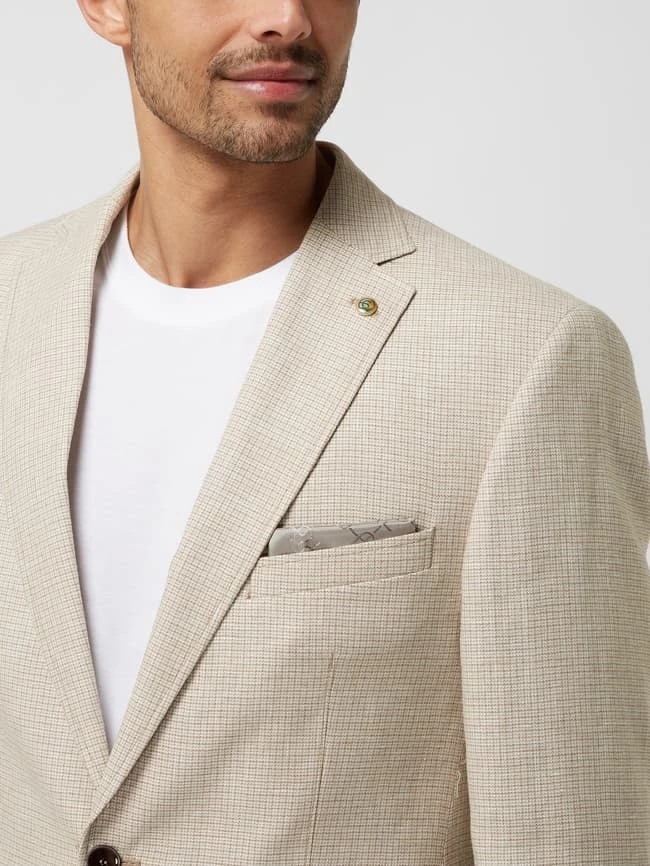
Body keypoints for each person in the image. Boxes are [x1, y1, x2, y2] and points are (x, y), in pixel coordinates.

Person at [0, 0, 648, 864]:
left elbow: (569, 827)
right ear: (108, 7)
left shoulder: (526, 358)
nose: (288, 17)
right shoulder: (13, 306)